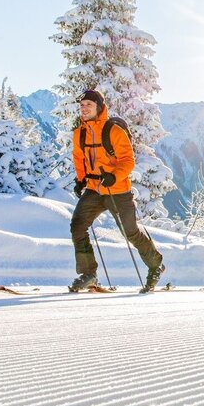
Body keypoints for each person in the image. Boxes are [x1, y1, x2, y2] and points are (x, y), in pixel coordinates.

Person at [69, 89, 164, 293]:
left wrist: (115, 175)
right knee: (78, 226)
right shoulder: (80, 133)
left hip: (117, 189)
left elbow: (128, 161)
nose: (84, 109)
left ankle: (156, 265)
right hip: (94, 189)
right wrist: (80, 180)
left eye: (89, 105)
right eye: (82, 105)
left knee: (130, 232)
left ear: (99, 108)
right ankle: (88, 274)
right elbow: (79, 158)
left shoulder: (113, 131)